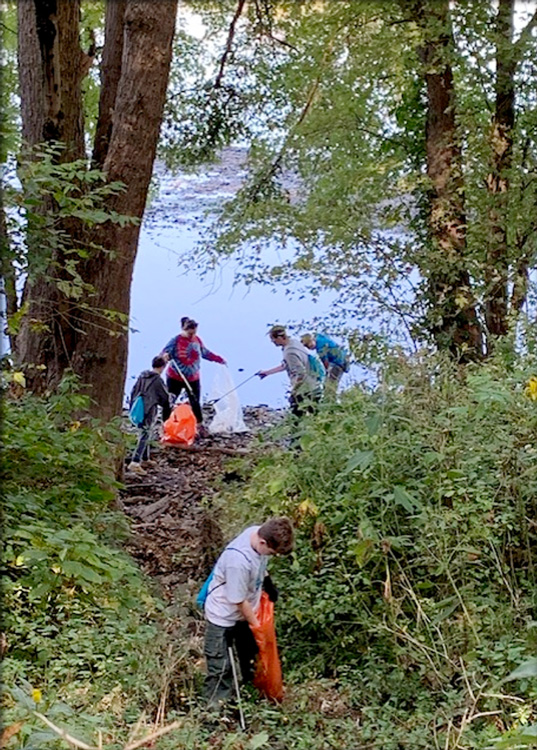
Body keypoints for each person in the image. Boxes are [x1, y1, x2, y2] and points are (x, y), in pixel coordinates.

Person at [203, 517, 294, 708]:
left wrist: (268, 583)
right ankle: (214, 713)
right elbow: (237, 600)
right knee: (221, 668)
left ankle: (250, 697)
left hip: (246, 612)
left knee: (251, 658)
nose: (271, 555)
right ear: (262, 542)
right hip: (223, 615)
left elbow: (261, 563)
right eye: (271, 552)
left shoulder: (259, 532)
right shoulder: (237, 561)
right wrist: (257, 626)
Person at [160, 317, 226, 433]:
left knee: (195, 402)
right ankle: (165, 425)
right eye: (189, 333)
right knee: (170, 401)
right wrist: (165, 356)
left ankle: (199, 426)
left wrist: (218, 359)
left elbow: (205, 353)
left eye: (194, 333)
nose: (192, 336)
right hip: (175, 377)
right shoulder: (175, 341)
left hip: (193, 378)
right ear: (183, 329)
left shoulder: (197, 340)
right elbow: (163, 353)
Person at [257, 325, 323, 418]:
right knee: (316, 413)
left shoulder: (289, 352)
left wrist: (294, 390)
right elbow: (286, 365)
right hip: (314, 383)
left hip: (305, 389)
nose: (273, 342)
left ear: (280, 338)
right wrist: (267, 372)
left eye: (273, 339)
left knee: (296, 416)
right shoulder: (294, 342)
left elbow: (301, 374)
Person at [128, 356, 171, 474]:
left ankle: (145, 458)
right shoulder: (157, 380)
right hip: (149, 409)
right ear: (163, 367)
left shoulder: (142, 376)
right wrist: (168, 405)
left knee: (146, 431)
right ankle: (135, 462)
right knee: (145, 434)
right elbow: (164, 398)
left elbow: (133, 391)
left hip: (139, 407)